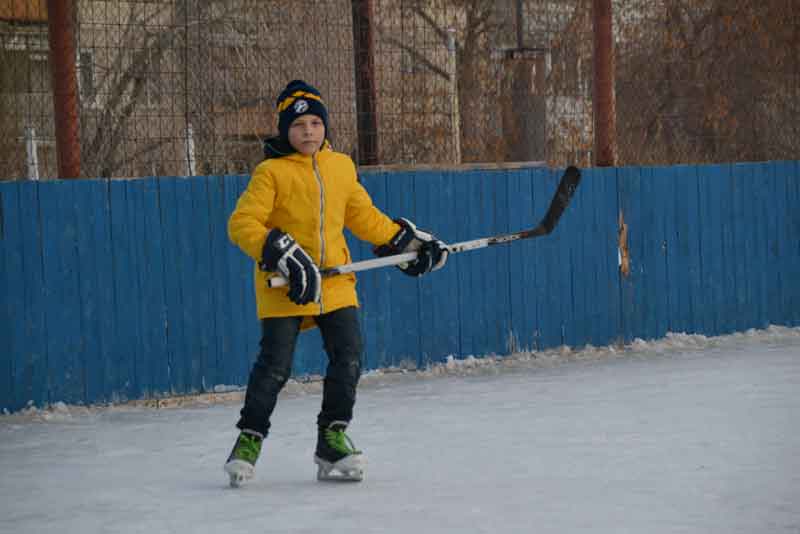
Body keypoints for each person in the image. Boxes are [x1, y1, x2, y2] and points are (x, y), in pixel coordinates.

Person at [224, 80, 449, 486]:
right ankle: (249, 438)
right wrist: (278, 248)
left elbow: (364, 217)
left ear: (325, 126)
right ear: (284, 131)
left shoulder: (340, 167)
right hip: (285, 283)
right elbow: (241, 224)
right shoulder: (270, 173)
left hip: (336, 283)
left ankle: (332, 440)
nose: (308, 131)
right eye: (298, 125)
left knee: (348, 357)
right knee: (275, 366)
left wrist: (408, 243)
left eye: (315, 122)